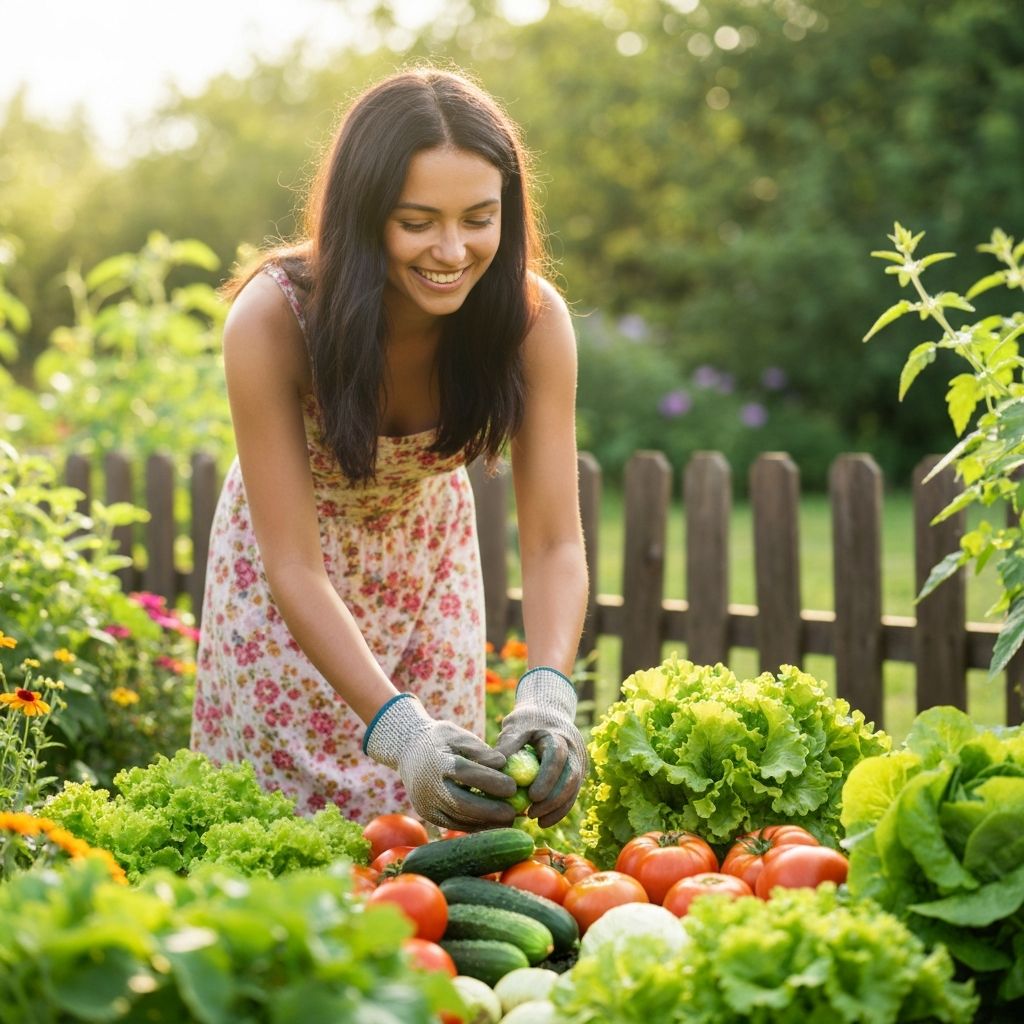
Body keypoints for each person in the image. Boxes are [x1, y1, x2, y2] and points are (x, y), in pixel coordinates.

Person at [190, 67, 588, 832]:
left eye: (479, 218)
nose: (452, 249)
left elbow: (553, 542)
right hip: (287, 590)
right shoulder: (273, 320)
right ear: (363, 215)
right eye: (417, 221)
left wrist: (548, 695)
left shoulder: (533, 322)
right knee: (286, 837)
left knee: (439, 836)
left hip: (429, 568)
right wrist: (402, 735)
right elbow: (292, 566)